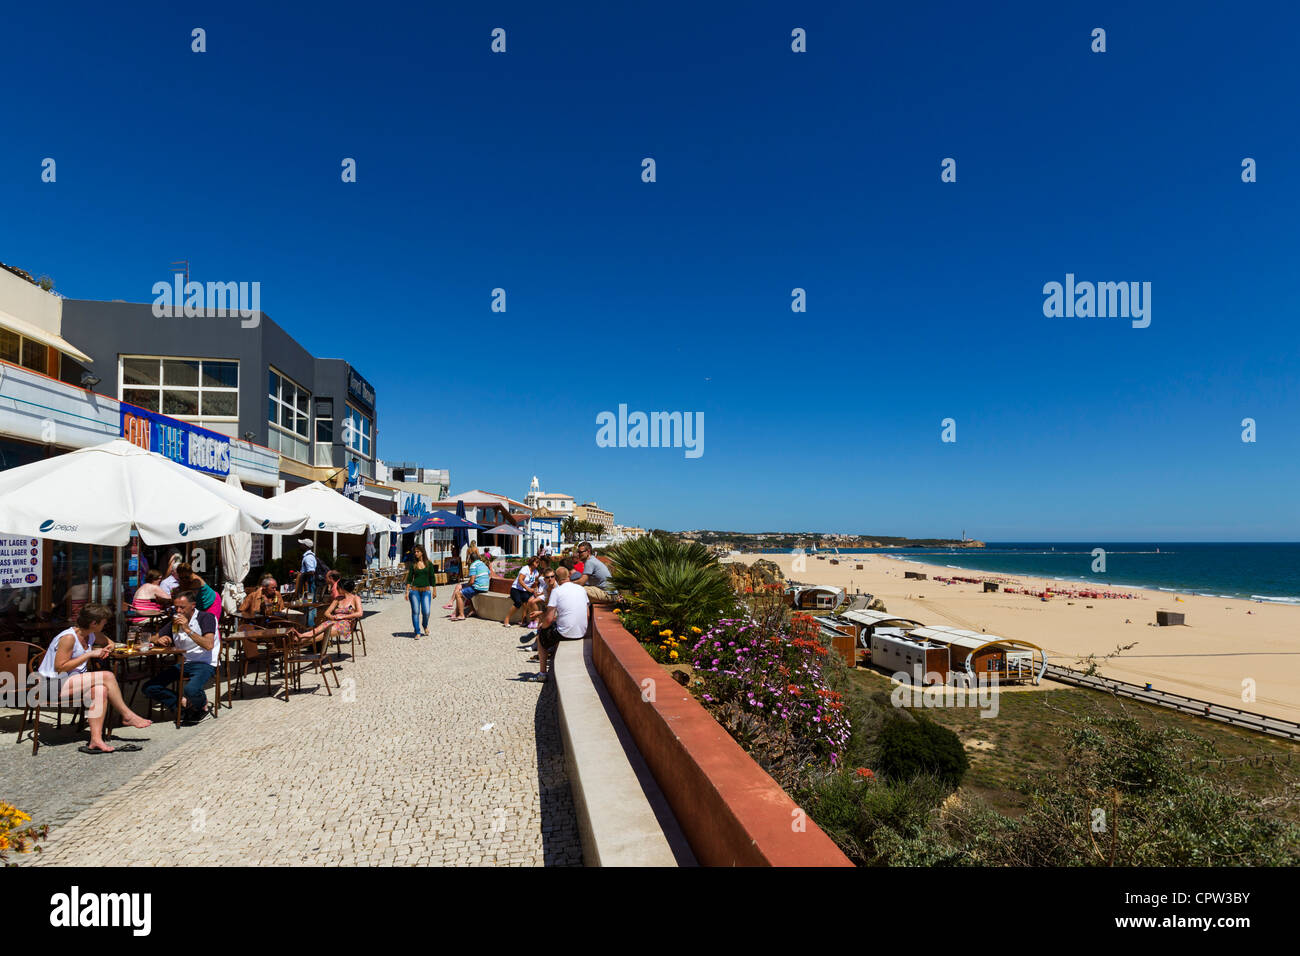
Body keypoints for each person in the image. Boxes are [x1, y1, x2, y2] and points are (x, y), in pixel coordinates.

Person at [37, 604, 152, 753]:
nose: (105, 624)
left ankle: (96, 740)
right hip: (50, 685)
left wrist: (106, 649)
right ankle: (127, 715)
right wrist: (89, 654)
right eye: (104, 622)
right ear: (94, 623)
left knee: (101, 690)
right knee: (107, 676)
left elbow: (110, 643)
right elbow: (60, 667)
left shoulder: (91, 634)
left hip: (71, 682)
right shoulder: (69, 638)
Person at [145, 590, 220, 723]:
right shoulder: (175, 620)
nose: (178, 610)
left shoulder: (206, 618)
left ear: (193, 605)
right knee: (150, 687)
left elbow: (208, 645)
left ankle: (202, 707)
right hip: (186, 662)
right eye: (176, 607)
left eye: (182, 607)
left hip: (206, 662)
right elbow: (154, 637)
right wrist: (160, 640)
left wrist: (187, 629)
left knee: (190, 689)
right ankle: (182, 705)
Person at [534, 566, 589, 681]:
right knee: (552, 628)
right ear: (569, 576)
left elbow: (548, 619)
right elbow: (587, 614)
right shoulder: (581, 589)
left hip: (567, 633)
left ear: (557, 579)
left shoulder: (557, 591)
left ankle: (542, 674)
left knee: (541, 636)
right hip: (582, 632)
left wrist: (541, 628)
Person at [291, 577, 363, 645]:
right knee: (317, 629)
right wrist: (333, 617)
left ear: (343, 588)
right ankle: (301, 636)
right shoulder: (338, 599)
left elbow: (360, 613)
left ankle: (301, 640)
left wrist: (343, 617)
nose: (337, 590)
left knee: (325, 633)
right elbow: (327, 613)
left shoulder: (355, 598)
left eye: (338, 588)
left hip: (346, 624)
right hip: (334, 620)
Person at [450, 550, 491, 621]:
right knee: (466, 592)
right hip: (485, 587)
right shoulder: (483, 564)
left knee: (458, 594)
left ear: (471, 560)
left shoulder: (473, 565)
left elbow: (471, 581)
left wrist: (465, 586)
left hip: (478, 587)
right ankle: (472, 609)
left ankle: (461, 615)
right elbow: (489, 574)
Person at [406, 544, 437, 637]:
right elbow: (409, 579)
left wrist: (434, 590)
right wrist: (407, 591)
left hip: (426, 591)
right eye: (414, 552)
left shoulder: (429, 564)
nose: (416, 553)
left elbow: (432, 578)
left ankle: (425, 625)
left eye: (417, 551)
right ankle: (417, 631)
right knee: (415, 611)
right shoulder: (413, 565)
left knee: (426, 611)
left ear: (422, 552)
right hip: (414, 591)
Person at [503, 556, 542, 627]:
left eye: (539, 562)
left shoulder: (536, 572)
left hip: (525, 591)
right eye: (536, 562)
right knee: (518, 602)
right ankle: (506, 619)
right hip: (516, 589)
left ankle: (525, 621)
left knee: (529, 602)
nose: (538, 564)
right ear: (532, 562)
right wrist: (528, 589)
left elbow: (535, 583)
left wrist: (536, 590)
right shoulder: (525, 569)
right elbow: (520, 580)